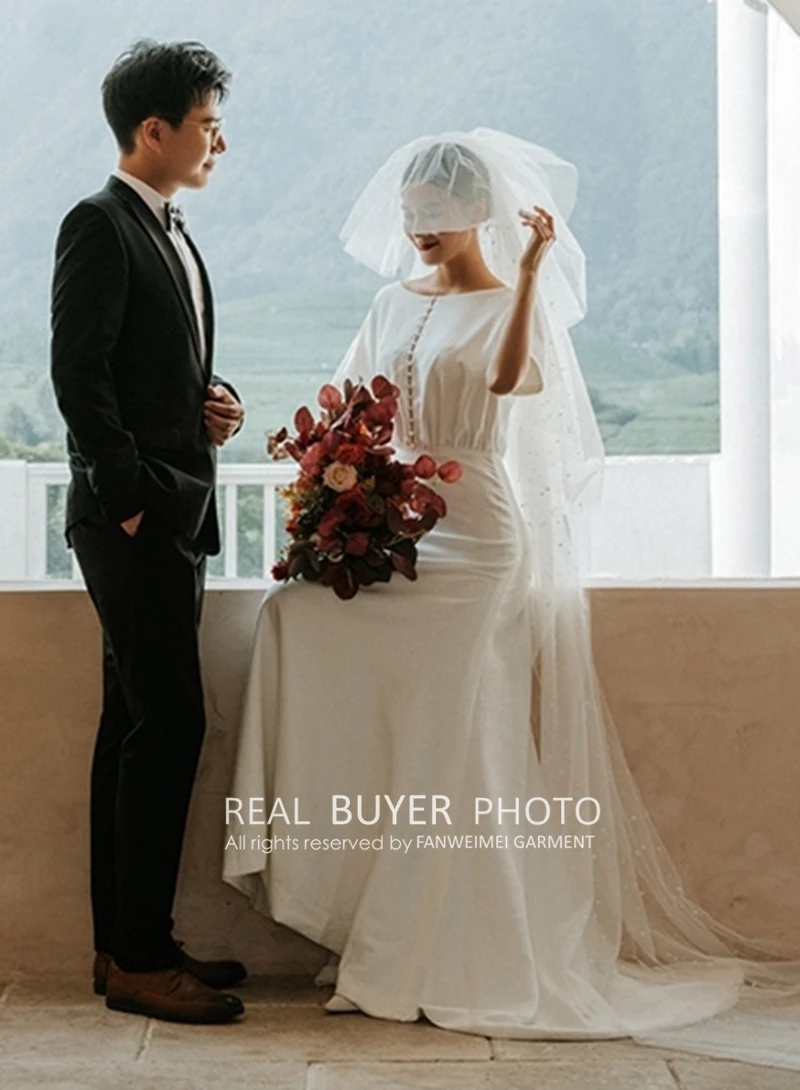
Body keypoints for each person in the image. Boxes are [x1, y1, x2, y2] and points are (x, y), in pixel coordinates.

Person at [223, 129, 800, 1065]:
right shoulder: (388, 301)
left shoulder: (506, 301)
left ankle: (417, 952)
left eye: (436, 213)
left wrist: (528, 272)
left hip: (480, 539)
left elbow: (500, 382)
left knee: (454, 738)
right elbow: (346, 407)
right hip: (401, 530)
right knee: (295, 620)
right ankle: (358, 914)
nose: (419, 227)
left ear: (476, 212)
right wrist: (332, 489)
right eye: (410, 213)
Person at [51, 39, 247, 1025]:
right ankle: (138, 960)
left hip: (170, 510)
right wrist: (129, 497)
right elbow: (77, 373)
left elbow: (153, 365)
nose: (220, 142)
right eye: (208, 125)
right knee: (169, 723)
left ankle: (127, 945)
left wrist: (215, 404)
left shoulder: (167, 228)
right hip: (134, 518)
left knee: (133, 723)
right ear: (154, 129)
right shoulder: (98, 222)